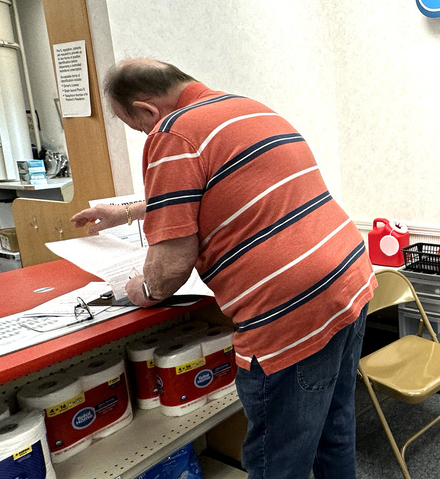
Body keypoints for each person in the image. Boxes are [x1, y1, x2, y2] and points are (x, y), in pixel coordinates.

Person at [72, 58, 376, 479]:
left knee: (279, 459)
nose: (146, 135)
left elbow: (172, 264)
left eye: (138, 127)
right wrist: (124, 212)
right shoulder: (247, 109)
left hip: (291, 311)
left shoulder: (172, 131)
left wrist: (141, 289)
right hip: (347, 280)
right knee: (334, 428)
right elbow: (215, 188)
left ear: (146, 110)